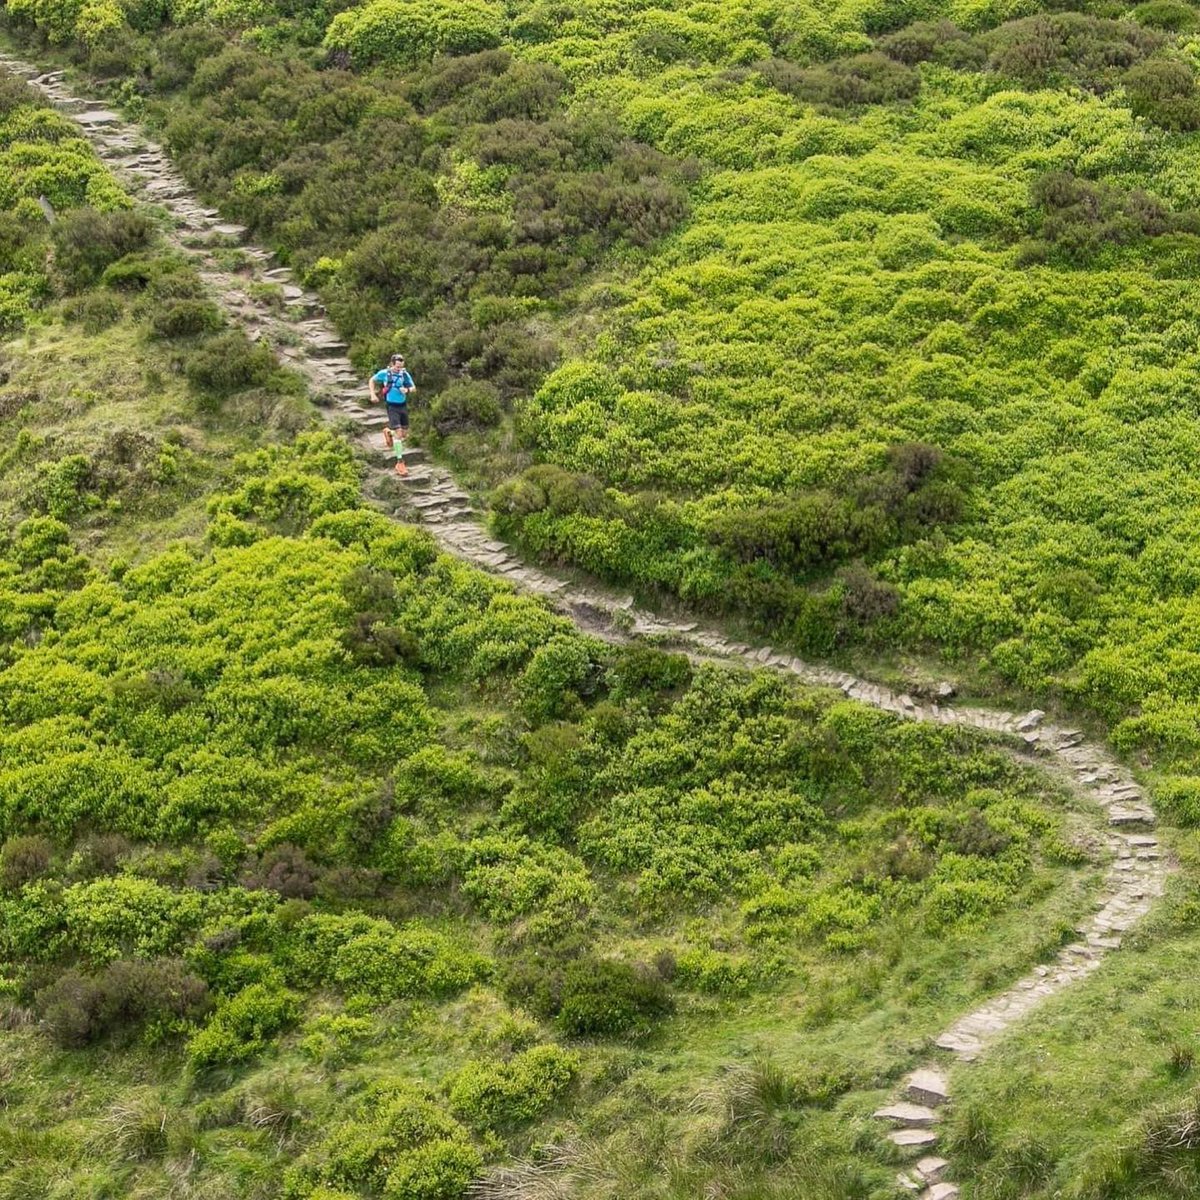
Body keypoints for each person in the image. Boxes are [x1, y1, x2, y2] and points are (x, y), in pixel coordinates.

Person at [369, 353, 416, 476]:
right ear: (392, 364)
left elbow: (413, 388)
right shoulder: (385, 373)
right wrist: (372, 394)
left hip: (403, 405)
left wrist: (407, 390)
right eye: (397, 366)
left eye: (400, 366)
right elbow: (372, 380)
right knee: (399, 434)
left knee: (404, 434)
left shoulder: (404, 374)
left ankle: (388, 432)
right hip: (391, 406)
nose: (398, 368)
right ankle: (400, 462)